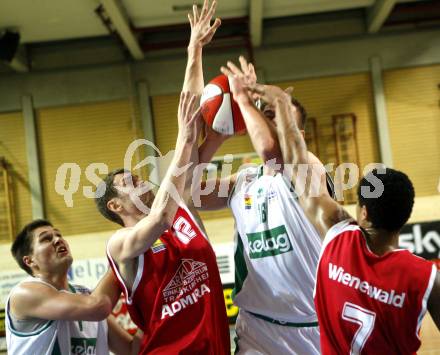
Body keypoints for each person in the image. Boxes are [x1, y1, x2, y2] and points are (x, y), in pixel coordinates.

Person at [248, 79, 440, 354]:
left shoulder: (339, 240)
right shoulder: (426, 278)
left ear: (363, 212)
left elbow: (296, 164)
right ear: (405, 217)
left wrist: (281, 106)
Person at [95, 4, 230, 353]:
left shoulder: (181, 208)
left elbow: (192, 113)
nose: (140, 180)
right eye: (129, 181)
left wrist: (194, 50)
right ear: (114, 204)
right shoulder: (120, 245)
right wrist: (186, 139)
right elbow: (158, 219)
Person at [192, 59, 334, 354]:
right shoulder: (243, 180)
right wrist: (216, 138)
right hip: (256, 330)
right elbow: (187, 193)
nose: (267, 122)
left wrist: (243, 98)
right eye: (264, 115)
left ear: (299, 137)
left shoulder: (310, 169)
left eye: (277, 117)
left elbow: (273, 153)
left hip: (312, 328)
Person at [6, 219, 140, 355]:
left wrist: (158, 313)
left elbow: (131, 350)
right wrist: (121, 257)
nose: (58, 239)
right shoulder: (24, 293)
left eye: (59, 235)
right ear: (29, 261)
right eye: (46, 239)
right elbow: (98, 307)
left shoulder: (86, 295)